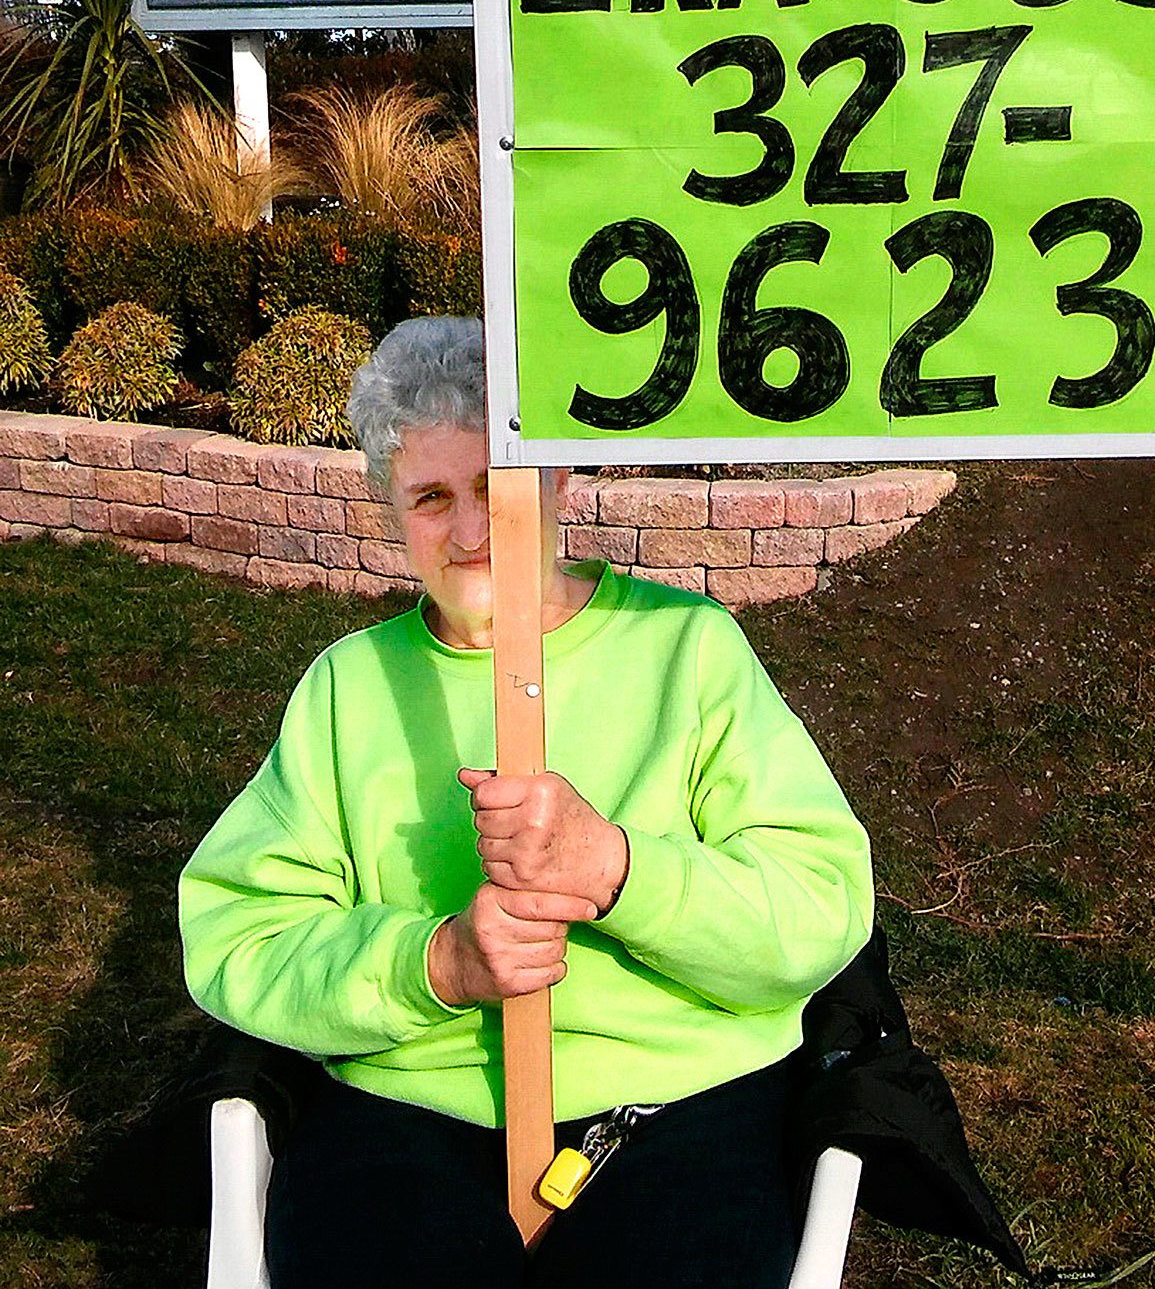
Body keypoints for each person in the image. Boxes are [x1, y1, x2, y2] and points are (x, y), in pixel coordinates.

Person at [177, 315, 875, 1289]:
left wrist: (618, 870)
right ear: (391, 510)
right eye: (429, 497)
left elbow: (820, 910)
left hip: (671, 1103)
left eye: (493, 488)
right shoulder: (347, 690)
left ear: (555, 484)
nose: (468, 534)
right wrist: (436, 963)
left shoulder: (688, 651)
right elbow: (239, 942)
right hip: (413, 1103)